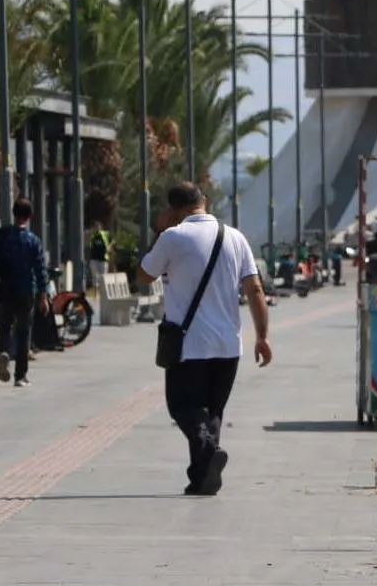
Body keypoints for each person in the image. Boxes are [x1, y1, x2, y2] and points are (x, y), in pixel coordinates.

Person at [138, 183, 272, 497]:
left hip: (189, 345)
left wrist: (160, 232)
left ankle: (209, 454)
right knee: (212, 412)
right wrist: (262, 336)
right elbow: (254, 290)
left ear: (173, 211)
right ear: (205, 202)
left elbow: (144, 275)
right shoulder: (235, 237)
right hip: (229, 345)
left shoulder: (172, 237)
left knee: (182, 406)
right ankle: (201, 479)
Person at [0, 197, 47, 388]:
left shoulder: (1, 235)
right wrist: (43, 295)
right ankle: (20, 376)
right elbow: (40, 269)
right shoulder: (33, 241)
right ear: (29, 216)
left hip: (5, 289)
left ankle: (3, 350)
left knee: (5, 325)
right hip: (26, 290)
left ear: (13, 213)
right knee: (23, 332)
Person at [87, 222, 112, 291]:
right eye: (95, 227)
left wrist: (109, 246)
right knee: (95, 276)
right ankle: (96, 293)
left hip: (103, 259)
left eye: (98, 227)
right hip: (94, 258)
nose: (97, 229)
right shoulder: (92, 236)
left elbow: (112, 240)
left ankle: (103, 292)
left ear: (101, 228)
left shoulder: (105, 234)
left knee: (103, 276)